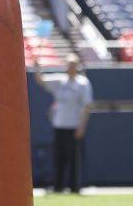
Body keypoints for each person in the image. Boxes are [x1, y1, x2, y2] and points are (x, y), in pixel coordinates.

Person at [34, 54, 94, 194]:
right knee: (59, 157)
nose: (70, 68)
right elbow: (41, 81)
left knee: (74, 157)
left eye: (73, 65)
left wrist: (82, 126)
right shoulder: (60, 81)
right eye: (68, 65)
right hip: (59, 124)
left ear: (77, 66)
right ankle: (58, 186)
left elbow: (87, 106)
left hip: (74, 125)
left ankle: (75, 187)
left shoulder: (83, 83)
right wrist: (37, 68)